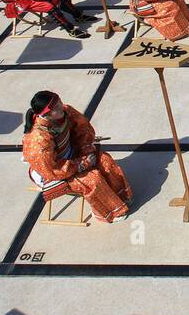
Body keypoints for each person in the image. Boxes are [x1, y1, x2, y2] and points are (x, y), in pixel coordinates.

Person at [22, 91, 132, 223]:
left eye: (60, 103)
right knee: (93, 178)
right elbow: (52, 170)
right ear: (46, 114)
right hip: (53, 172)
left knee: (105, 160)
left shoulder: (65, 111)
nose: (62, 106)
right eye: (56, 107)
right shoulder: (37, 139)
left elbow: (83, 128)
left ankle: (121, 197)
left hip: (72, 153)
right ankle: (109, 212)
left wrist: (86, 149)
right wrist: (82, 164)